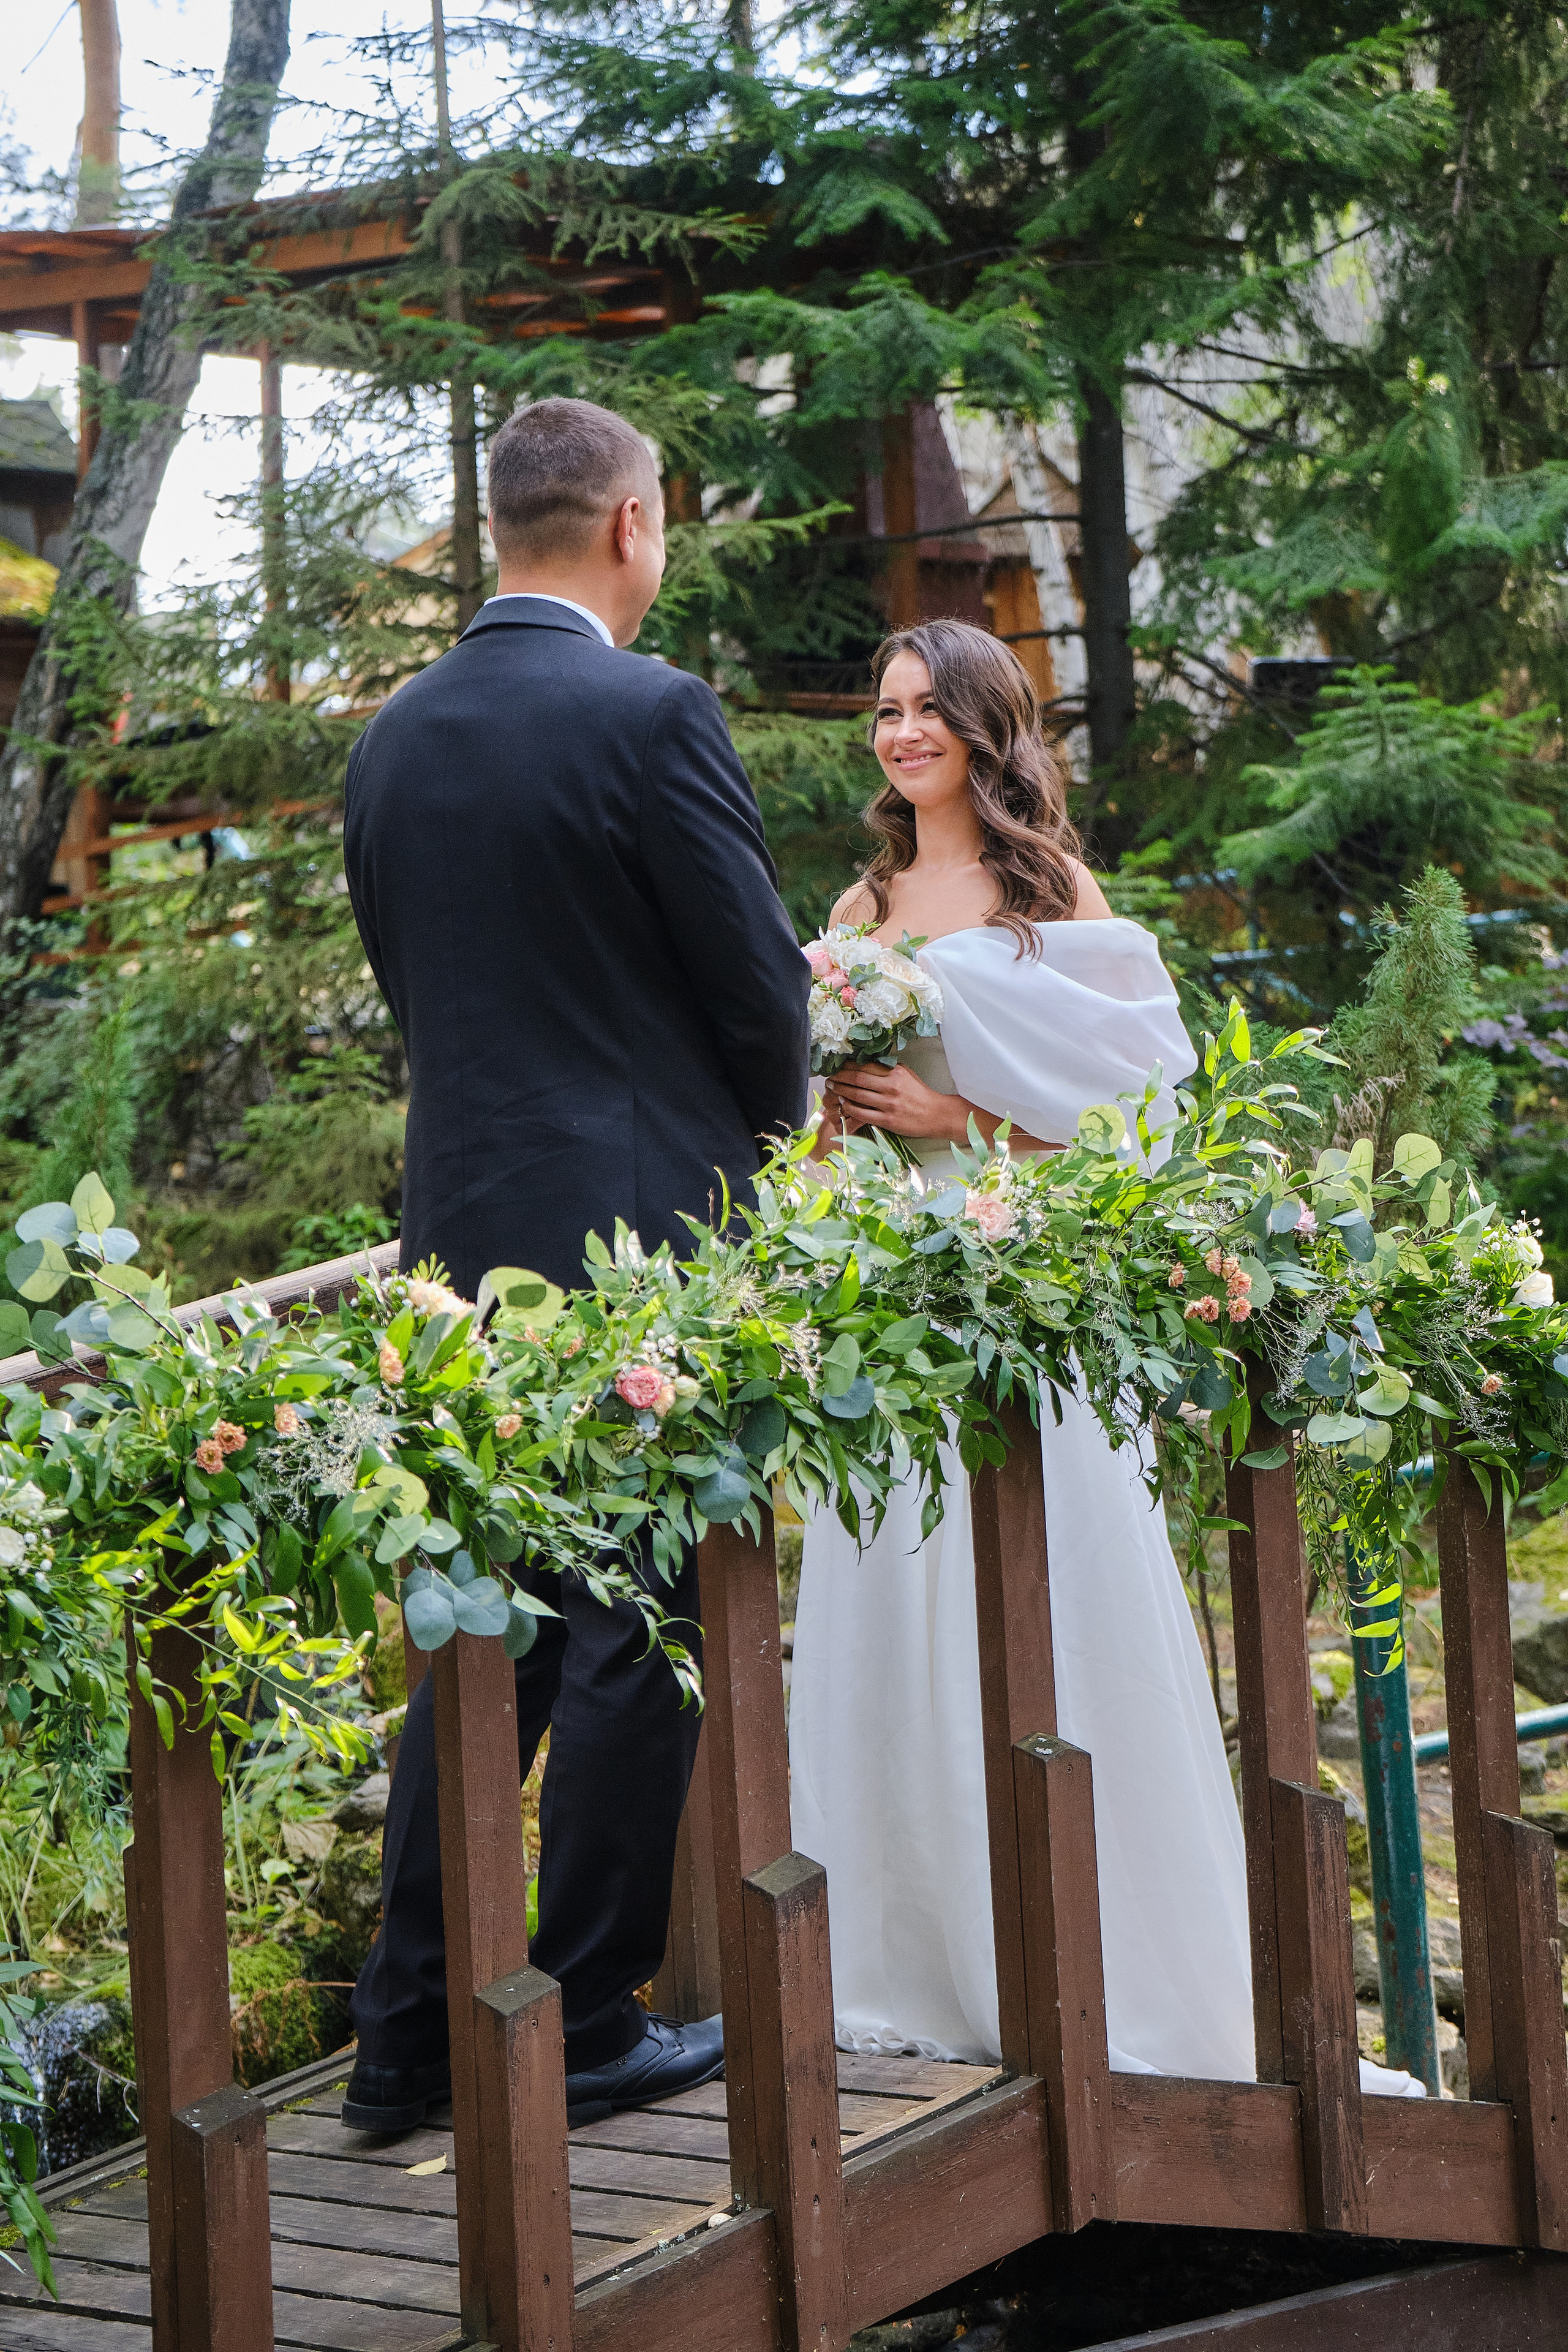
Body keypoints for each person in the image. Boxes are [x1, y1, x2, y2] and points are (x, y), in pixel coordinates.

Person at [790, 618, 1425, 2098]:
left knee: (1062, 1606)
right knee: (894, 1607)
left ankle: (1107, 1971)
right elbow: (821, 1123)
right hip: (892, 1303)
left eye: (923, 710)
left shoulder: (1049, 895)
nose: (896, 735)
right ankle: (914, 1967)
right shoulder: (859, 899)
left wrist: (961, 1126)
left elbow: (1140, 1125)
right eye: (882, 712)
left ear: (981, 725)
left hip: (1025, 1284)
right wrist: (834, 1144)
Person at [340, 396, 810, 2133]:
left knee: (480, 1638)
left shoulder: (389, 740)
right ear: (631, 525)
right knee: (638, 1624)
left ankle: (403, 2047)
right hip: (644, 1251)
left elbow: (427, 998)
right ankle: (591, 2011)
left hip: (458, 1259)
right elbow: (762, 1000)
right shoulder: (651, 712)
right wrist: (765, 1148)